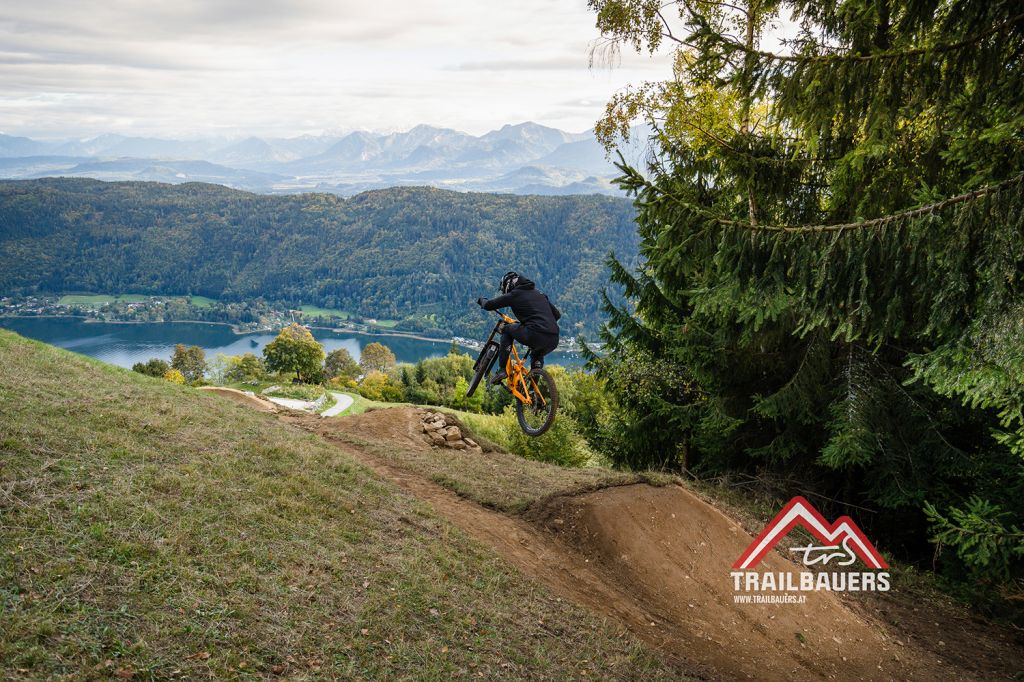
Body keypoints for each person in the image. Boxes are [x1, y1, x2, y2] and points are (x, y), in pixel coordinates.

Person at [476, 271, 561, 385]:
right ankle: (533, 392)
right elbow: (557, 315)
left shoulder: (515, 294)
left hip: (534, 333)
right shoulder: (540, 294)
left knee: (506, 329)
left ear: (508, 285)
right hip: (553, 338)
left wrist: (482, 301)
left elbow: (489, 305)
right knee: (537, 355)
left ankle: (502, 370)